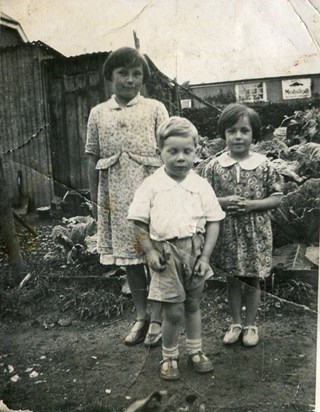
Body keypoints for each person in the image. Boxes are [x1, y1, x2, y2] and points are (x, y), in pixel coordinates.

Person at [127, 117, 225, 380]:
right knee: (173, 309)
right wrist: (149, 251)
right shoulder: (151, 184)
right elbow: (139, 222)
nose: (181, 158)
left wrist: (205, 257)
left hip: (194, 251)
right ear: (160, 151)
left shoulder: (200, 184)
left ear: (196, 151)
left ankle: (195, 351)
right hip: (166, 253)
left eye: (187, 151)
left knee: (193, 304)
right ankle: (169, 356)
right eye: (173, 151)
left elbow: (214, 221)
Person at [85, 47, 169, 346]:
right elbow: (92, 157)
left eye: (136, 74)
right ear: (110, 76)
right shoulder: (98, 113)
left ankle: (159, 319)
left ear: (143, 78)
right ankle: (142, 316)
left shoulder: (156, 109)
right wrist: (96, 201)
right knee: (131, 261)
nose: (130, 80)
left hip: (151, 192)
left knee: (156, 255)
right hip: (116, 195)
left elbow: (169, 152)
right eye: (123, 73)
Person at [204, 103, 283, 347]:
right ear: (223, 134)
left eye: (244, 131)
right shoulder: (214, 167)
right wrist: (224, 202)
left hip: (255, 232)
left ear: (253, 134)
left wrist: (251, 205)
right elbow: (203, 198)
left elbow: (277, 197)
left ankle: (251, 325)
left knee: (252, 279)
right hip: (227, 232)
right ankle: (236, 323)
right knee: (233, 280)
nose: (238, 136)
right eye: (232, 131)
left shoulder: (264, 165)